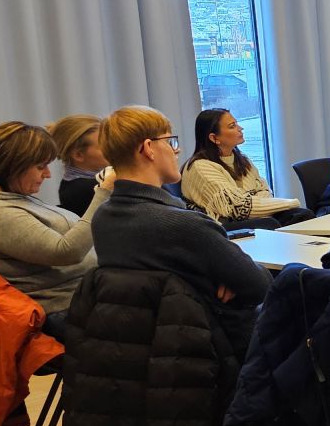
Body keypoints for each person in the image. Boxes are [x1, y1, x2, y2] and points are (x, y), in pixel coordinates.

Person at [90, 106, 270, 307]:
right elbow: (258, 284)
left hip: (145, 331)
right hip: (208, 330)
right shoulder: (185, 223)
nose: (177, 150)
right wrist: (224, 278)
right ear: (149, 148)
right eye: (170, 142)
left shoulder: (101, 218)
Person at [0, 121, 114, 313]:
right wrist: (103, 192)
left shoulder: (13, 198)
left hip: (82, 293)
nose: (48, 174)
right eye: (40, 166)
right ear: (11, 166)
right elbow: (67, 252)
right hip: (63, 308)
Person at [180, 109, 312, 228]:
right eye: (232, 126)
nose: (240, 128)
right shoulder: (201, 166)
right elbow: (238, 208)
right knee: (268, 223)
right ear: (214, 138)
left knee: (302, 215)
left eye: (236, 123)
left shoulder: (241, 159)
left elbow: (263, 191)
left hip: (251, 218)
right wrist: (290, 203)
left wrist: (256, 203)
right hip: (219, 227)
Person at [48, 114, 107, 217]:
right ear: (78, 155)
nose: (114, 147)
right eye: (104, 145)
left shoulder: (73, 183)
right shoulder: (88, 189)